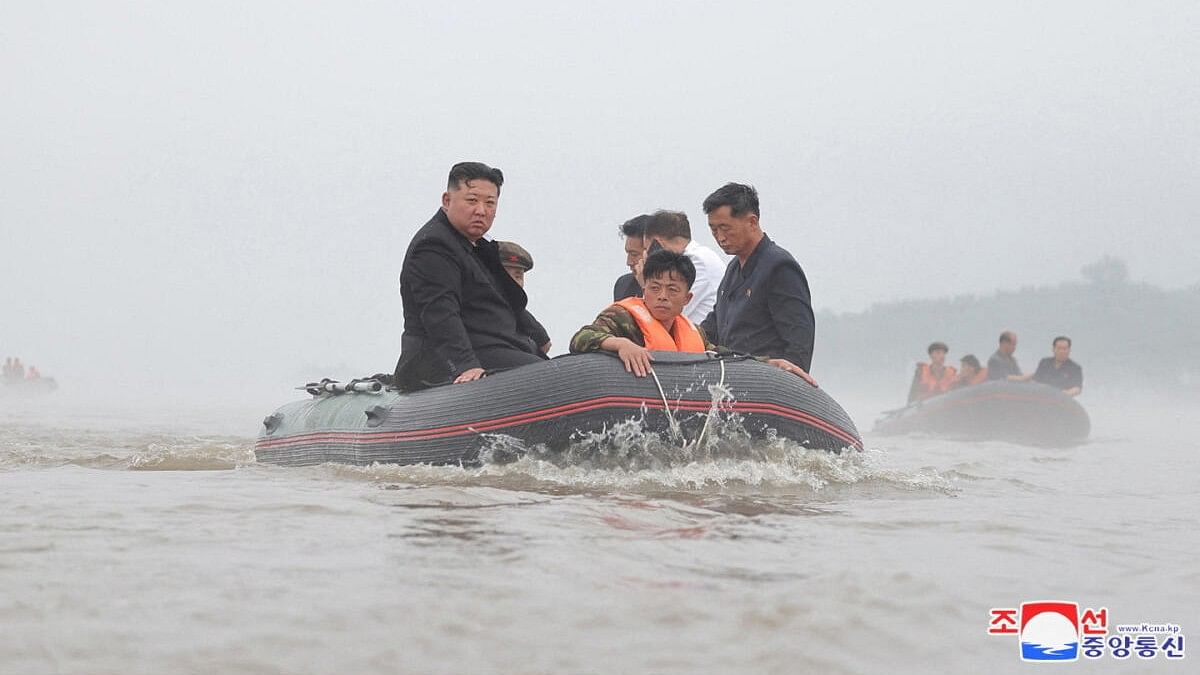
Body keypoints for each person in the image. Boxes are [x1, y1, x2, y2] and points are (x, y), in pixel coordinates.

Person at [394, 162, 547, 391]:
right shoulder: (433, 246)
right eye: (472, 201)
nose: (481, 211)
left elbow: (500, 298)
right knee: (541, 376)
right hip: (445, 361)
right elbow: (440, 313)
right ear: (447, 201)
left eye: (490, 203)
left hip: (497, 347)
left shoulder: (477, 248)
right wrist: (465, 365)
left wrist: (538, 336)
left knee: (558, 371)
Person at [571, 250, 816, 384]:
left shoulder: (692, 332)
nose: (662, 296)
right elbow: (581, 338)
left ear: (687, 299)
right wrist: (621, 344)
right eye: (654, 288)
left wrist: (770, 363)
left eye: (672, 289)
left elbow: (722, 356)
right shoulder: (622, 316)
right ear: (644, 290)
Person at [698, 182, 816, 373]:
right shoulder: (733, 269)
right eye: (713, 230)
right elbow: (712, 328)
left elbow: (799, 342)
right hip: (731, 379)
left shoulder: (779, 267)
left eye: (725, 228)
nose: (720, 237)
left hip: (765, 383)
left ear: (752, 222)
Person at [641, 210, 726, 322]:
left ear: (657, 244)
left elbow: (663, 315)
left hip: (700, 336)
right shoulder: (702, 255)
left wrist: (645, 281)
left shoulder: (697, 261)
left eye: (647, 249)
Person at [497, 240, 552, 354]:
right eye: (505, 274)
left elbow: (545, 345)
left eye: (518, 276)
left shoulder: (521, 315)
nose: (513, 282)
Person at [613, 215, 649, 301]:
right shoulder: (623, 285)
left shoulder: (677, 288)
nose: (629, 262)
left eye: (634, 254)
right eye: (628, 253)